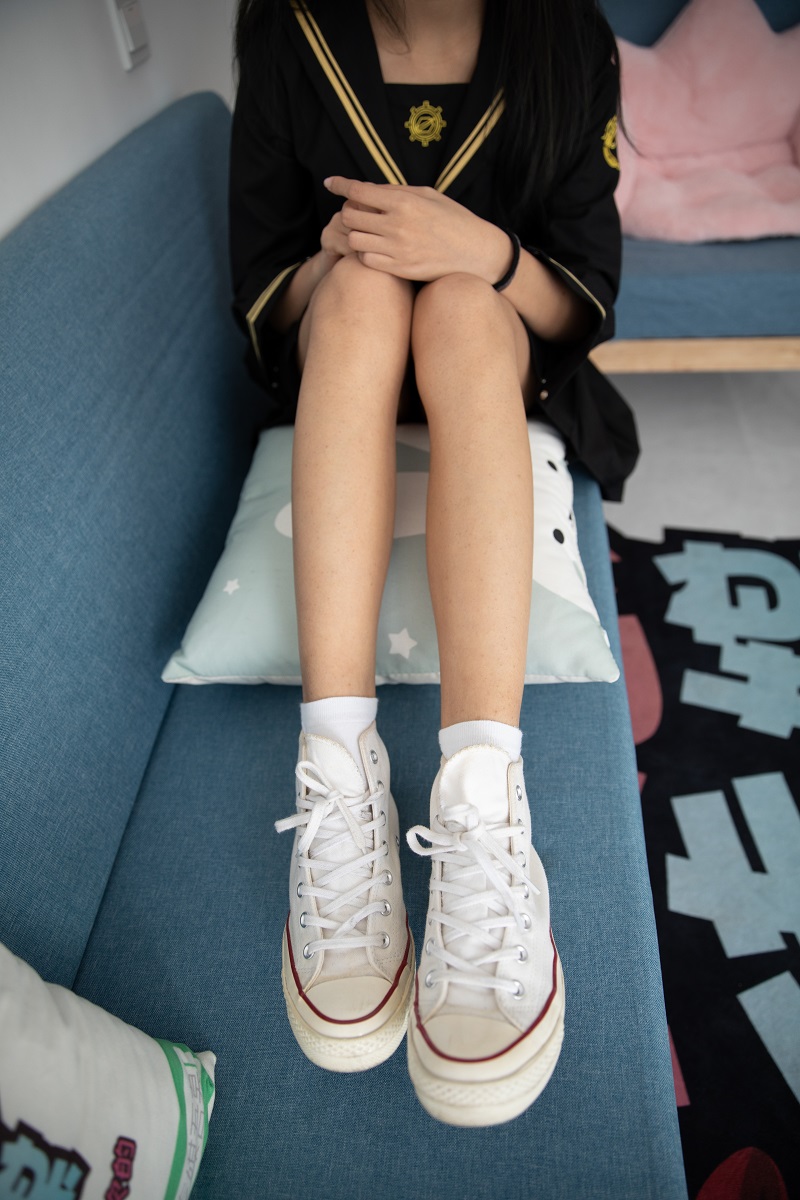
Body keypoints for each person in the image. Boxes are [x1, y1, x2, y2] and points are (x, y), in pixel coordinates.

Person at [229, 0, 638, 1127]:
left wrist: (480, 252)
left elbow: (583, 297)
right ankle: (335, 766)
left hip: (492, 356)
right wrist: (344, 257)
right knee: (363, 290)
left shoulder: (569, 36)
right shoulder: (287, 28)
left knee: (457, 307)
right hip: (341, 367)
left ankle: (484, 797)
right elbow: (260, 285)